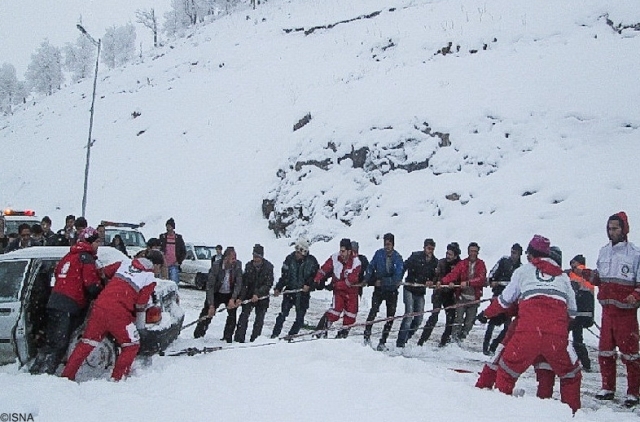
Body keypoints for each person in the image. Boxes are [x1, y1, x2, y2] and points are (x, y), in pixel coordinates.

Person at [484, 235, 581, 413]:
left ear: (531, 254)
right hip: (556, 337)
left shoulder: (523, 271)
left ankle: (498, 411)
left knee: (506, 371)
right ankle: (570, 413)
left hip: (526, 332)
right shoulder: (564, 278)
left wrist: (486, 313)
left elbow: (504, 301)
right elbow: (573, 312)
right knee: (570, 375)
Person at [62, 251, 164, 381]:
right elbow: (140, 305)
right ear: (155, 265)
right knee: (131, 345)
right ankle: (117, 379)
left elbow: (103, 272)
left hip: (100, 307)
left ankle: (66, 376)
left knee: (87, 343)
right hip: (119, 313)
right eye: (159, 267)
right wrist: (140, 327)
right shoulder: (149, 278)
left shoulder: (125, 263)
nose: (158, 271)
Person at [30, 227, 117, 375]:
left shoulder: (69, 255)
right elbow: (91, 284)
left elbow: (58, 273)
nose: (98, 245)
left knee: (52, 340)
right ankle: (46, 373)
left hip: (55, 301)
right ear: (90, 241)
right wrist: (103, 292)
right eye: (96, 241)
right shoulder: (86, 258)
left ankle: (37, 368)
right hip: (69, 305)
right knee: (60, 342)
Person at [578, 212, 640, 406]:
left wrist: (635, 296)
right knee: (605, 351)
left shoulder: (635, 254)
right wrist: (585, 273)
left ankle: (633, 392)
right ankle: (607, 388)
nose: (611, 232)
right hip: (607, 311)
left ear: (624, 229)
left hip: (626, 313)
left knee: (630, 354)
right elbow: (599, 278)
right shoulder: (604, 251)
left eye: (615, 228)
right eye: (609, 228)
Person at [478, 243, 522, 355]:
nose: (513, 255)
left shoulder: (521, 269)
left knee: (507, 326)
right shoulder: (503, 260)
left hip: (510, 299)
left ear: (519, 254)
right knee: (492, 321)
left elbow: (516, 285)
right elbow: (493, 271)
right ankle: (485, 347)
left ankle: (494, 346)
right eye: (512, 252)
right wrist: (491, 280)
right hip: (498, 294)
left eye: (515, 253)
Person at [271, 238, 319, 338]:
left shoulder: (312, 261)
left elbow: (316, 277)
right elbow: (284, 276)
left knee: (300, 318)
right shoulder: (289, 259)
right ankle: (274, 335)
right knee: (282, 315)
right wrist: (278, 288)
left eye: (299, 252)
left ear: (304, 252)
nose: (297, 254)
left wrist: (309, 285)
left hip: (303, 294)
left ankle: (291, 336)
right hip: (290, 291)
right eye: (296, 251)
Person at [363, 233, 404, 351]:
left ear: (393, 244)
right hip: (379, 290)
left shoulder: (398, 258)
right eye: (385, 244)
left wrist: (384, 281)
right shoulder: (378, 254)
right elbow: (371, 266)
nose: (387, 246)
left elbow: (397, 277)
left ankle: (383, 341)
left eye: (389, 244)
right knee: (373, 311)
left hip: (391, 291)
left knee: (390, 317)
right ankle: (366, 336)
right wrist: (367, 278)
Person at [313, 238, 362, 337]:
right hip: (339, 292)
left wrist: (334, 285)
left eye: (344, 251)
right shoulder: (335, 257)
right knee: (335, 312)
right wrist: (317, 279)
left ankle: (342, 335)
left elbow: (350, 281)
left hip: (351, 292)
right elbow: (325, 268)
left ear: (349, 251)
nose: (341, 253)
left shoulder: (356, 263)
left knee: (351, 316)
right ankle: (320, 331)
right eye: (341, 250)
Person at [193, 246, 243, 342]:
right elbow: (210, 286)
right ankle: (198, 335)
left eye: (235, 258)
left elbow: (238, 284)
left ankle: (227, 337)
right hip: (217, 292)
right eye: (232, 258)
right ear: (226, 258)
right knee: (207, 312)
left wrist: (233, 298)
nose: (234, 260)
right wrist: (211, 305)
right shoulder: (216, 266)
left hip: (230, 293)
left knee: (232, 315)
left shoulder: (238, 265)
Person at [441, 242, 486, 343]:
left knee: (469, 322)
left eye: (475, 251)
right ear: (468, 252)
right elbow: (454, 274)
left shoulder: (481, 264)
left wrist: (469, 283)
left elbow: (481, 279)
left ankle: (461, 338)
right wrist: (442, 281)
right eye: (471, 251)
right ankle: (453, 340)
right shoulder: (463, 264)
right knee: (458, 320)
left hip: (474, 298)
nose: (473, 253)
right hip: (461, 296)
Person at [417, 242, 461, 347]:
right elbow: (436, 275)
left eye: (450, 254)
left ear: (455, 255)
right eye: (447, 253)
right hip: (439, 293)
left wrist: (454, 284)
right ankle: (422, 341)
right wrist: (436, 281)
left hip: (451, 295)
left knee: (450, 319)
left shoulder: (460, 264)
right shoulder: (441, 262)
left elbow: (460, 278)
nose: (448, 256)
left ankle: (443, 343)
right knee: (434, 316)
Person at [396, 238, 437, 348]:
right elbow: (404, 266)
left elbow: (435, 275)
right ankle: (400, 343)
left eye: (432, 249)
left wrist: (432, 281)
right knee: (409, 315)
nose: (430, 251)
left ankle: (406, 338)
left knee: (419, 318)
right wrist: (399, 278)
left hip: (420, 291)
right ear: (424, 248)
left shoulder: (434, 261)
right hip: (409, 288)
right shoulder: (415, 256)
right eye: (428, 248)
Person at [234, 244, 274, 343]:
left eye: (257, 257)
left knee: (259, 319)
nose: (255, 259)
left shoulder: (269, 267)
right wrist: (241, 297)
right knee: (243, 316)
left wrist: (258, 294)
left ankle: (255, 339)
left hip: (262, 297)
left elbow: (268, 284)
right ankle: (239, 338)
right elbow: (245, 283)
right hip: (249, 296)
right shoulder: (249, 266)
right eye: (254, 256)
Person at [566, 254, 595, 372]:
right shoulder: (589, 275)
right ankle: (585, 362)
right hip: (585, 313)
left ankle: (567, 361)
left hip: (576, 312)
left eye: (573, 262)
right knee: (578, 339)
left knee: (562, 336)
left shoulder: (574, 273)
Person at [160, 218, 186, 285]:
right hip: (163, 264)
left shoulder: (178, 238)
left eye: (169, 226)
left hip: (174, 264)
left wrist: (179, 261)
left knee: (174, 282)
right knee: (164, 283)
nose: (168, 228)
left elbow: (183, 251)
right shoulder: (162, 237)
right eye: (167, 226)